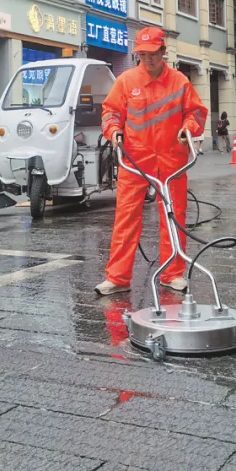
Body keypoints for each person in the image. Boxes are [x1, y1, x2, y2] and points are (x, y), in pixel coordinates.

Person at [95, 26, 208, 296]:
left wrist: (188, 129)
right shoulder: (126, 81)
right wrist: (114, 131)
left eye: (153, 53)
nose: (148, 59)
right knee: (126, 217)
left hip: (172, 159)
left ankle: (173, 274)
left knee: (173, 216)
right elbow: (110, 112)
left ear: (163, 51)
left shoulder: (180, 82)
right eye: (143, 54)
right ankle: (118, 278)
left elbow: (196, 113)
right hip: (135, 160)